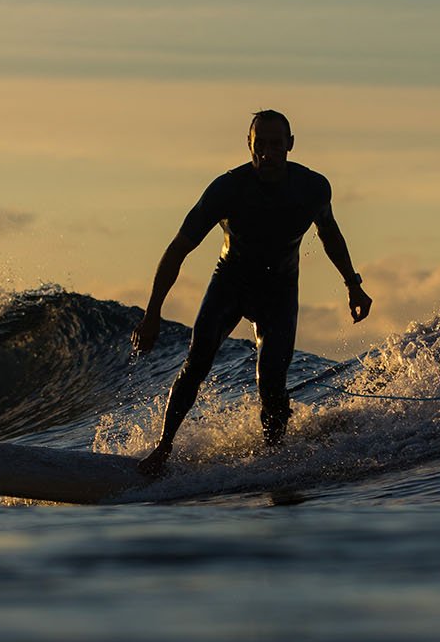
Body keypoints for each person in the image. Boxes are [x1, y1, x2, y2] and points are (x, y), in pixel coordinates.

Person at [130, 110, 372, 475]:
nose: (268, 154)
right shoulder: (227, 189)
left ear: (290, 146)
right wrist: (152, 316)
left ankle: (272, 458)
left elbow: (330, 234)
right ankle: (163, 450)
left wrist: (353, 285)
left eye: (277, 145)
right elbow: (178, 249)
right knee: (197, 362)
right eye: (261, 146)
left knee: (272, 382)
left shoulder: (312, 188)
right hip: (231, 283)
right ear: (249, 146)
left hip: (279, 291)